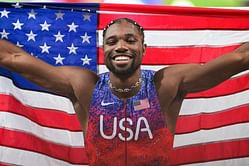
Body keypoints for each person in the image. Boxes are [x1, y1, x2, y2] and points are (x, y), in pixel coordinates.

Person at [0, 17, 249, 166]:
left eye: (130, 40)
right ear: (104, 50)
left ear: (144, 48)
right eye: (112, 41)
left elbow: (240, 57)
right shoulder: (84, 86)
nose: (121, 46)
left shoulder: (166, 84)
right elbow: (13, 57)